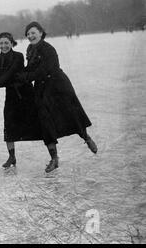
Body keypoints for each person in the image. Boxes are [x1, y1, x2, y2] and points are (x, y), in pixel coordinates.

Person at [16, 22, 98, 173]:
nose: (30, 36)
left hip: (58, 86)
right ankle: (54, 158)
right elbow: (31, 68)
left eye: (33, 33)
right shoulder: (30, 48)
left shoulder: (49, 49)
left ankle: (86, 138)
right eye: (28, 34)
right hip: (41, 88)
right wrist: (19, 75)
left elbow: (46, 70)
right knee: (45, 121)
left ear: (41, 33)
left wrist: (27, 77)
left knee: (71, 115)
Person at [0, 32, 42, 168]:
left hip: (26, 93)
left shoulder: (18, 56)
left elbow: (9, 74)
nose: (4, 46)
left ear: (11, 43)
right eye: (1, 43)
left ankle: (53, 155)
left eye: (6, 43)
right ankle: (12, 156)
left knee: (40, 123)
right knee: (8, 125)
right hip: (11, 95)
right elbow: (1, 82)